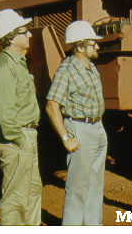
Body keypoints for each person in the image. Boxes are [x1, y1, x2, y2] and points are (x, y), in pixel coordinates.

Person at [46, 20, 107, 225]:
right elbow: (52, 105)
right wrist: (65, 137)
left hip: (97, 129)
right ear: (79, 47)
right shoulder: (67, 70)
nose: (97, 46)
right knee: (77, 189)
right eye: (92, 43)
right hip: (80, 130)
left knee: (95, 186)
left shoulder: (90, 68)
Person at [0, 9, 41, 225]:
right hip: (18, 139)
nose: (29, 35)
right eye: (24, 31)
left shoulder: (17, 62)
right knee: (15, 199)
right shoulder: (5, 67)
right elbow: (4, 112)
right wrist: (19, 140)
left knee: (32, 191)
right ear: (11, 36)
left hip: (27, 136)